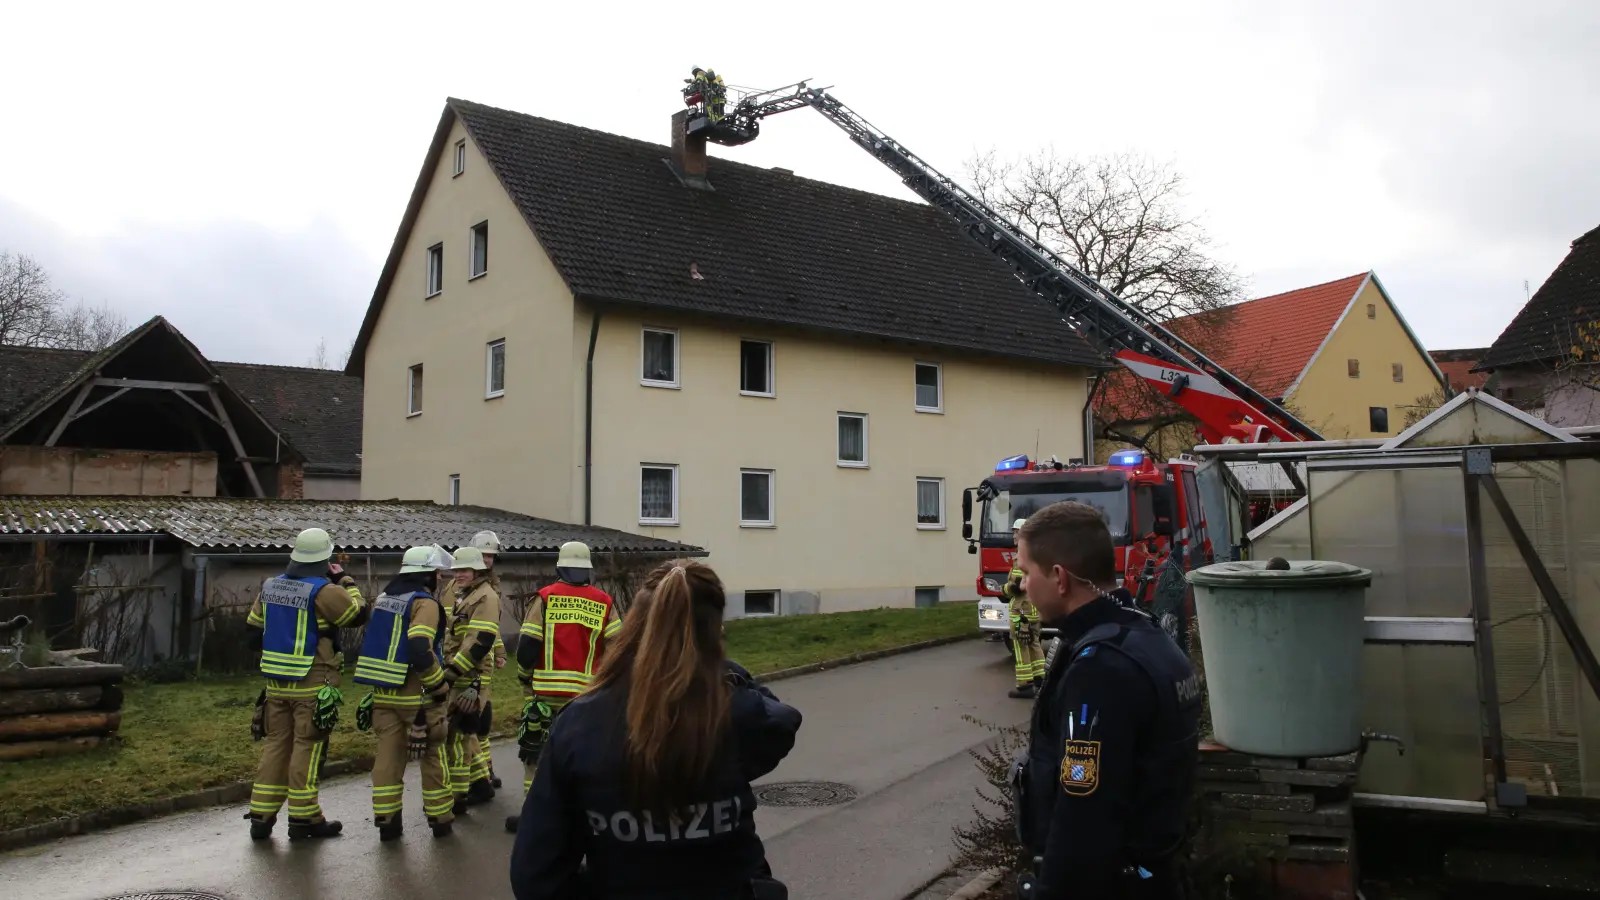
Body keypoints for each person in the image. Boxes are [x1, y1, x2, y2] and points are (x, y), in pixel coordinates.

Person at [509, 559, 801, 900]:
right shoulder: (736, 712)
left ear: (635, 625)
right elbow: (782, 721)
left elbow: (535, 876)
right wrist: (720, 669)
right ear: (714, 632)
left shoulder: (576, 726)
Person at [1013, 502, 1202, 899]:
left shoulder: (1101, 670)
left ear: (1060, 578)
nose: (1023, 585)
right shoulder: (1143, 635)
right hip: (1152, 875)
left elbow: (1084, 818)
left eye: (1027, 572)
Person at [245, 527, 368, 841]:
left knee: (276, 746)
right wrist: (347, 582)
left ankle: (261, 815)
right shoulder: (324, 590)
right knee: (308, 746)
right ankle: (303, 818)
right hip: (312, 682)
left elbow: (252, 634)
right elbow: (357, 615)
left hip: (275, 683)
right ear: (325, 559)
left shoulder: (270, 587)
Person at [503, 540, 621, 834]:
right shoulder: (604, 602)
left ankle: (534, 818)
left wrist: (524, 678)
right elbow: (619, 649)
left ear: (560, 567)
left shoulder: (546, 597)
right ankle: (583, 818)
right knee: (584, 756)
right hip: (586, 698)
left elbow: (528, 645)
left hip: (546, 693)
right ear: (588, 571)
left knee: (537, 754)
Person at [352, 546, 456, 840]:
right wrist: (438, 684)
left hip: (383, 695)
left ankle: (387, 820)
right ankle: (440, 819)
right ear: (426, 574)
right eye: (437, 573)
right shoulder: (425, 604)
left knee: (387, 757)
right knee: (433, 756)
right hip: (418, 698)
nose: (439, 578)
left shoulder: (384, 599)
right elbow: (419, 647)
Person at [441, 545, 502, 812]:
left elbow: (480, 641)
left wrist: (452, 674)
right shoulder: (464, 592)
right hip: (460, 667)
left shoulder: (485, 597)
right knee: (462, 731)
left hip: (470, 672)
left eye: (464, 569)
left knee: (459, 734)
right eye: (456, 569)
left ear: (477, 570)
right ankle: (480, 784)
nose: (459, 574)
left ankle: (458, 796)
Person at [472, 530, 509, 790]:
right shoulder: (463, 585)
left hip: (483, 660)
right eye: (484, 555)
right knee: (474, 718)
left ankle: (486, 769)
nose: (488, 560)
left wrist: (499, 651)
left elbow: (491, 626)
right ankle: (479, 774)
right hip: (468, 661)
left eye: (491, 556)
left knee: (483, 717)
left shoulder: (490, 584)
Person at [1006, 517, 1047, 699]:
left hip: (1021, 609)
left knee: (1021, 645)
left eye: (1016, 532)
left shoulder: (1020, 558)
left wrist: (1004, 589)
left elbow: (1015, 586)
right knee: (1034, 643)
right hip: (1033, 608)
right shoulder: (1037, 555)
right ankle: (1040, 680)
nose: (1013, 535)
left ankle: (1024, 686)